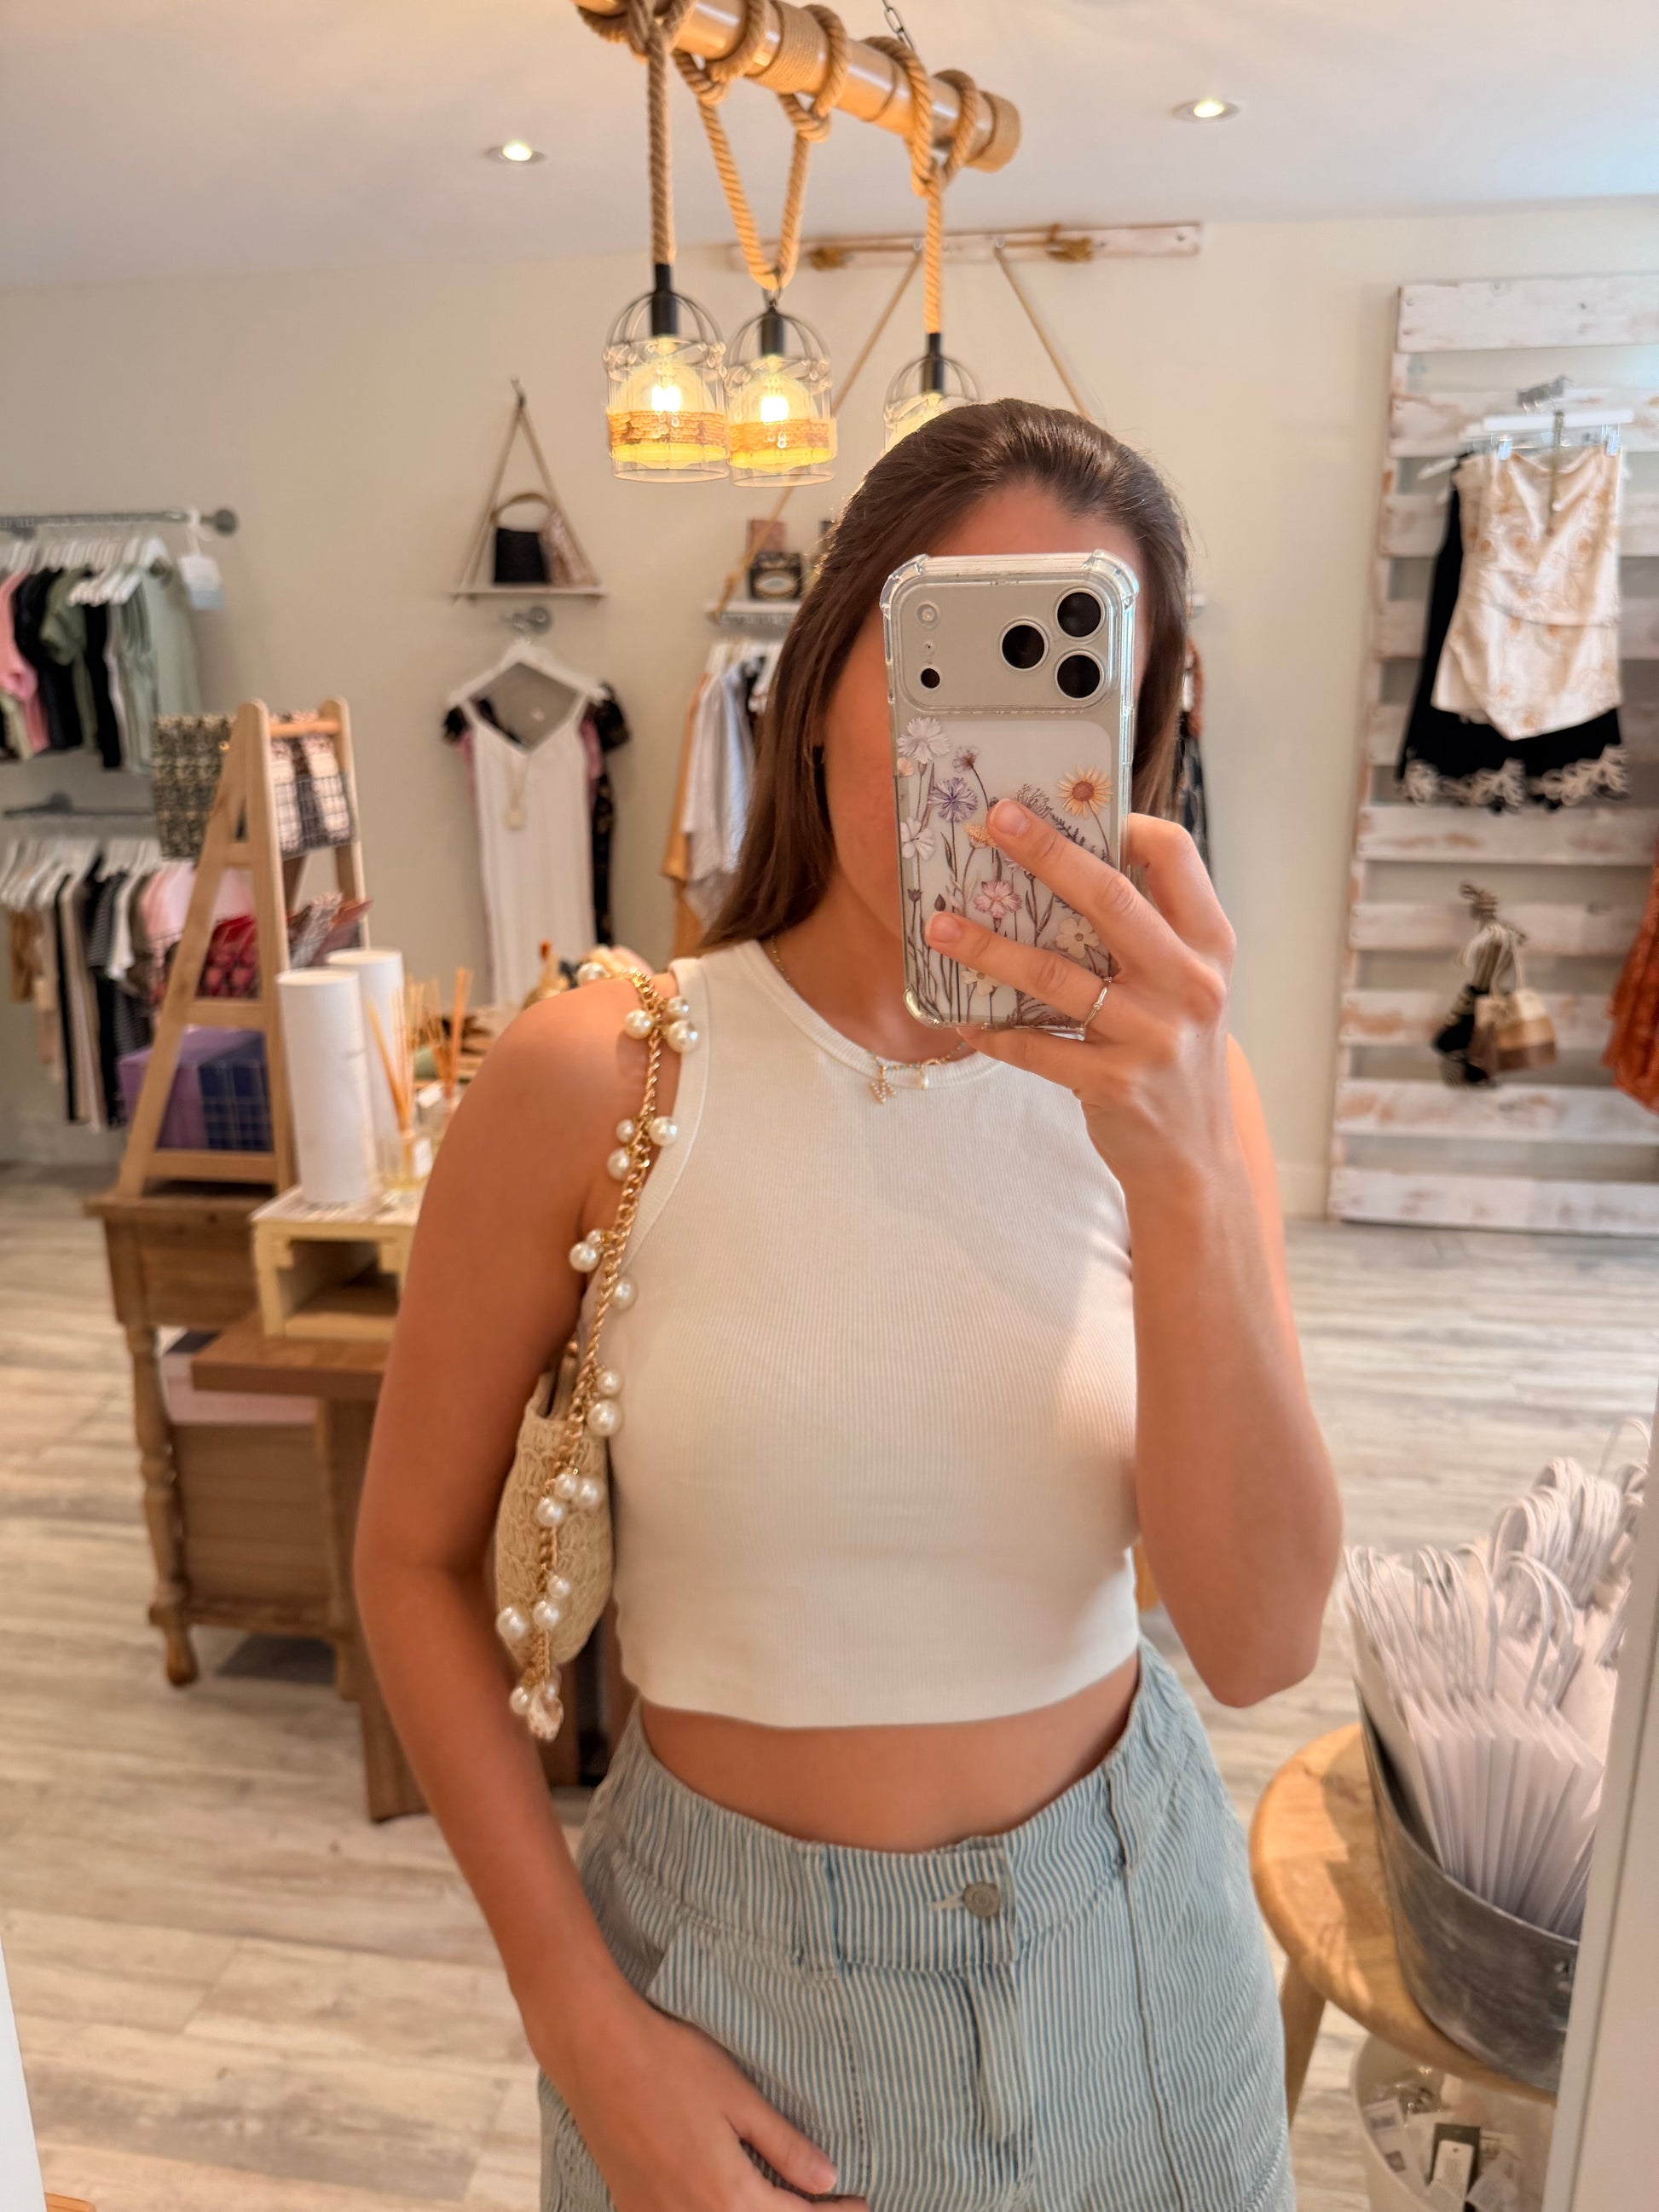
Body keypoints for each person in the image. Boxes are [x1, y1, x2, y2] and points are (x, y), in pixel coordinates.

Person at [356, 398, 1340, 2212]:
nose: (991, 762)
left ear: (1133, 745)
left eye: (1064, 682)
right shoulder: (602, 1072)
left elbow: (1262, 1636)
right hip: (729, 2001)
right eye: (944, 659)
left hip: (1137, 1955)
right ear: (815, 690)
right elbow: (408, 1562)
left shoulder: (1181, 1103)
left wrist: (1187, 1170)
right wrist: (577, 2020)